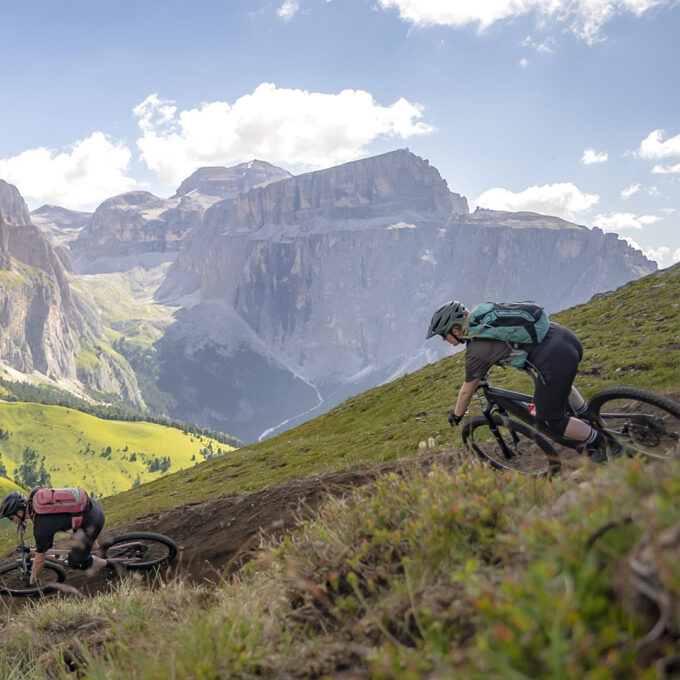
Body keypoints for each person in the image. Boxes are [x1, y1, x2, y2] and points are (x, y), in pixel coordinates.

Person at [426, 300, 613, 462]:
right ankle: (587, 416)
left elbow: (467, 392)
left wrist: (457, 415)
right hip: (563, 337)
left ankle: (603, 442)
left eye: (443, 335)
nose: (444, 340)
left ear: (455, 330)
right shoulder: (482, 316)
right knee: (558, 388)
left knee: (549, 419)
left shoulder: (476, 351)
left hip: (556, 359)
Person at [0, 489, 107, 584]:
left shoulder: (41, 527)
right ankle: (98, 552)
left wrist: (31, 581)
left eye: (10, 517)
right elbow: (36, 490)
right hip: (90, 507)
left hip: (91, 521)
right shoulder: (34, 496)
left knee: (75, 561)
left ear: (20, 512)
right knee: (79, 543)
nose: (11, 521)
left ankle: (111, 564)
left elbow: (39, 562)